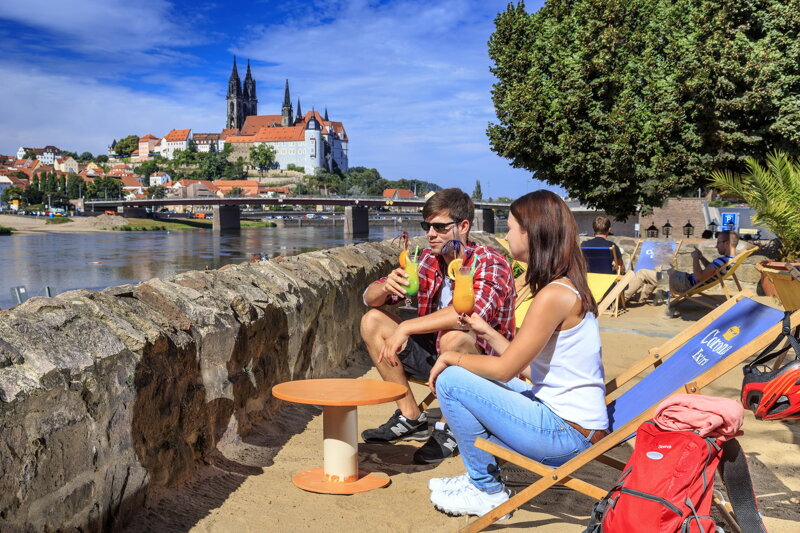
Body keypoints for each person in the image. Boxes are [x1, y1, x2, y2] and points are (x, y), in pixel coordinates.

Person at [425, 190, 608, 518]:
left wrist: (451, 358)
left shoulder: (553, 295)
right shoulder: (564, 286)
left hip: (565, 435)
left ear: (531, 233)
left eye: (510, 229)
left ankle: (486, 488)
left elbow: (506, 370)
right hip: (567, 422)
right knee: (466, 376)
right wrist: (487, 331)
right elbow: (526, 365)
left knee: (452, 380)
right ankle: (481, 476)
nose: (506, 236)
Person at [360, 188, 516, 465]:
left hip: (484, 365)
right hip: (436, 354)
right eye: (427, 226)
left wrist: (406, 328)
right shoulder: (427, 260)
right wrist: (384, 287)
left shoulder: (489, 262)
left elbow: (467, 314)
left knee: (453, 338)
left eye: (440, 227)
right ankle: (410, 416)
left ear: (463, 226)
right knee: (371, 320)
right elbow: (369, 299)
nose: (431, 234)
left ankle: (449, 427)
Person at [624, 230, 740, 303]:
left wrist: (695, 258)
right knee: (658, 269)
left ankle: (622, 299)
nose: (716, 246)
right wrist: (701, 257)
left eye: (718, 242)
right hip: (683, 280)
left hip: (684, 284)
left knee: (642, 273)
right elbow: (712, 270)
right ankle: (641, 298)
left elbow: (699, 277)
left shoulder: (722, 261)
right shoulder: (729, 260)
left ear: (727, 243)